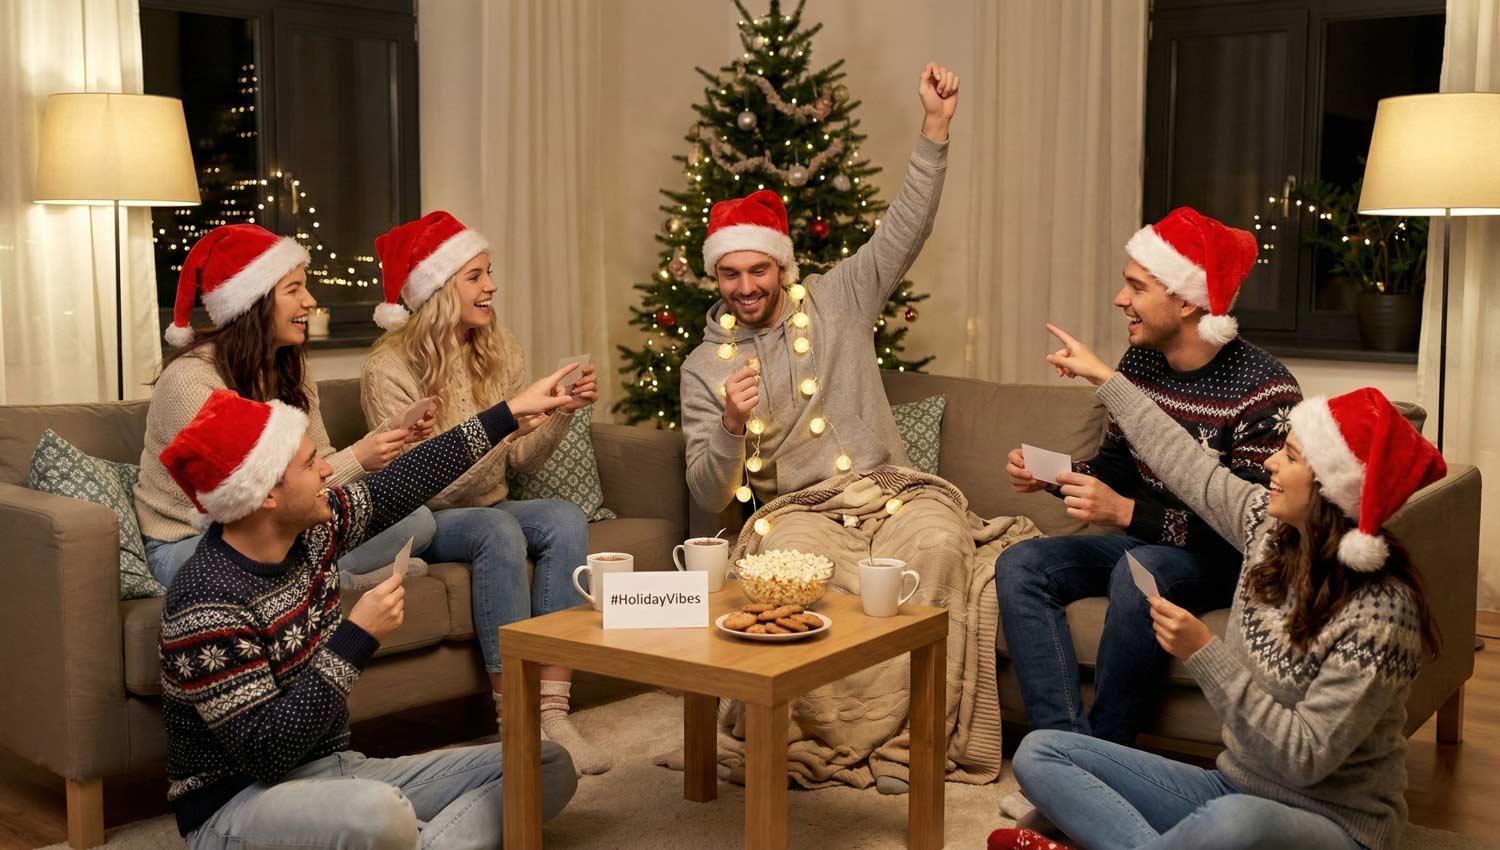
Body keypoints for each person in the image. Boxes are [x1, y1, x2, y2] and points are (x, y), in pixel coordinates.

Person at [987, 325, 1444, 850]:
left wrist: (1204, 652)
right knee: (1042, 752)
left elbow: (1304, 757)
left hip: (1335, 823)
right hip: (1229, 788)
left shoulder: (1383, 613)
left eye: (1291, 457)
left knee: (1234, 825)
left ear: (1332, 488)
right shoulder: (1264, 529)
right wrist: (1104, 377)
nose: (1270, 463)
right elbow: (1184, 462)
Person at [158, 364, 582, 848]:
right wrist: (356, 638)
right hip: (235, 806)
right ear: (267, 493)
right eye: (310, 462)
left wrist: (509, 413)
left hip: (338, 772)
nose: (326, 470)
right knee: (380, 816)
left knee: (544, 764)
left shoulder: (312, 533)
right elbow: (267, 754)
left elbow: (405, 481)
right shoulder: (207, 597)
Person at [993, 208, 1303, 821]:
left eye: (1137, 286)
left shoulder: (1265, 391)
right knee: (1023, 563)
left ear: (1187, 302)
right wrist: (1058, 475)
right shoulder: (1141, 364)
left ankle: (1108, 760)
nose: (1119, 299)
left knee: (1141, 571)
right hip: (1149, 541)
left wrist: (1127, 513)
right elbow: (1115, 469)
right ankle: (1065, 754)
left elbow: (1250, 530)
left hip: (1223, 560)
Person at [360, 210, 609, 774]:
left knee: (564, 518)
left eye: (488, 272)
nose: (491, 285)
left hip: (491, 499)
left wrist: (559, 415)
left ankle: (553, 709)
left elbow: (518, 459)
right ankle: (514, 715)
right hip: (427, 512)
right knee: (497, 531)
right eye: (475, 276)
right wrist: (506, 420)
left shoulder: (498, 348)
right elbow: (421, 478)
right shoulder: (387, 368)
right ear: (441, 288)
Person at [137, 224, 435, 590]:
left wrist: (389, 435)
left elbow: (319, 460)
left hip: (286, 526)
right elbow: (254, 499)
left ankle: (318, 578)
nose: (309, 301)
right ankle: (340, 582)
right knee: (258, 552)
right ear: (253, 304)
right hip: (192, 544)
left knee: (418, 521)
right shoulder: (191, 380)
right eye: (293, 289)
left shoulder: (290, 366)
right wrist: (360, 456)